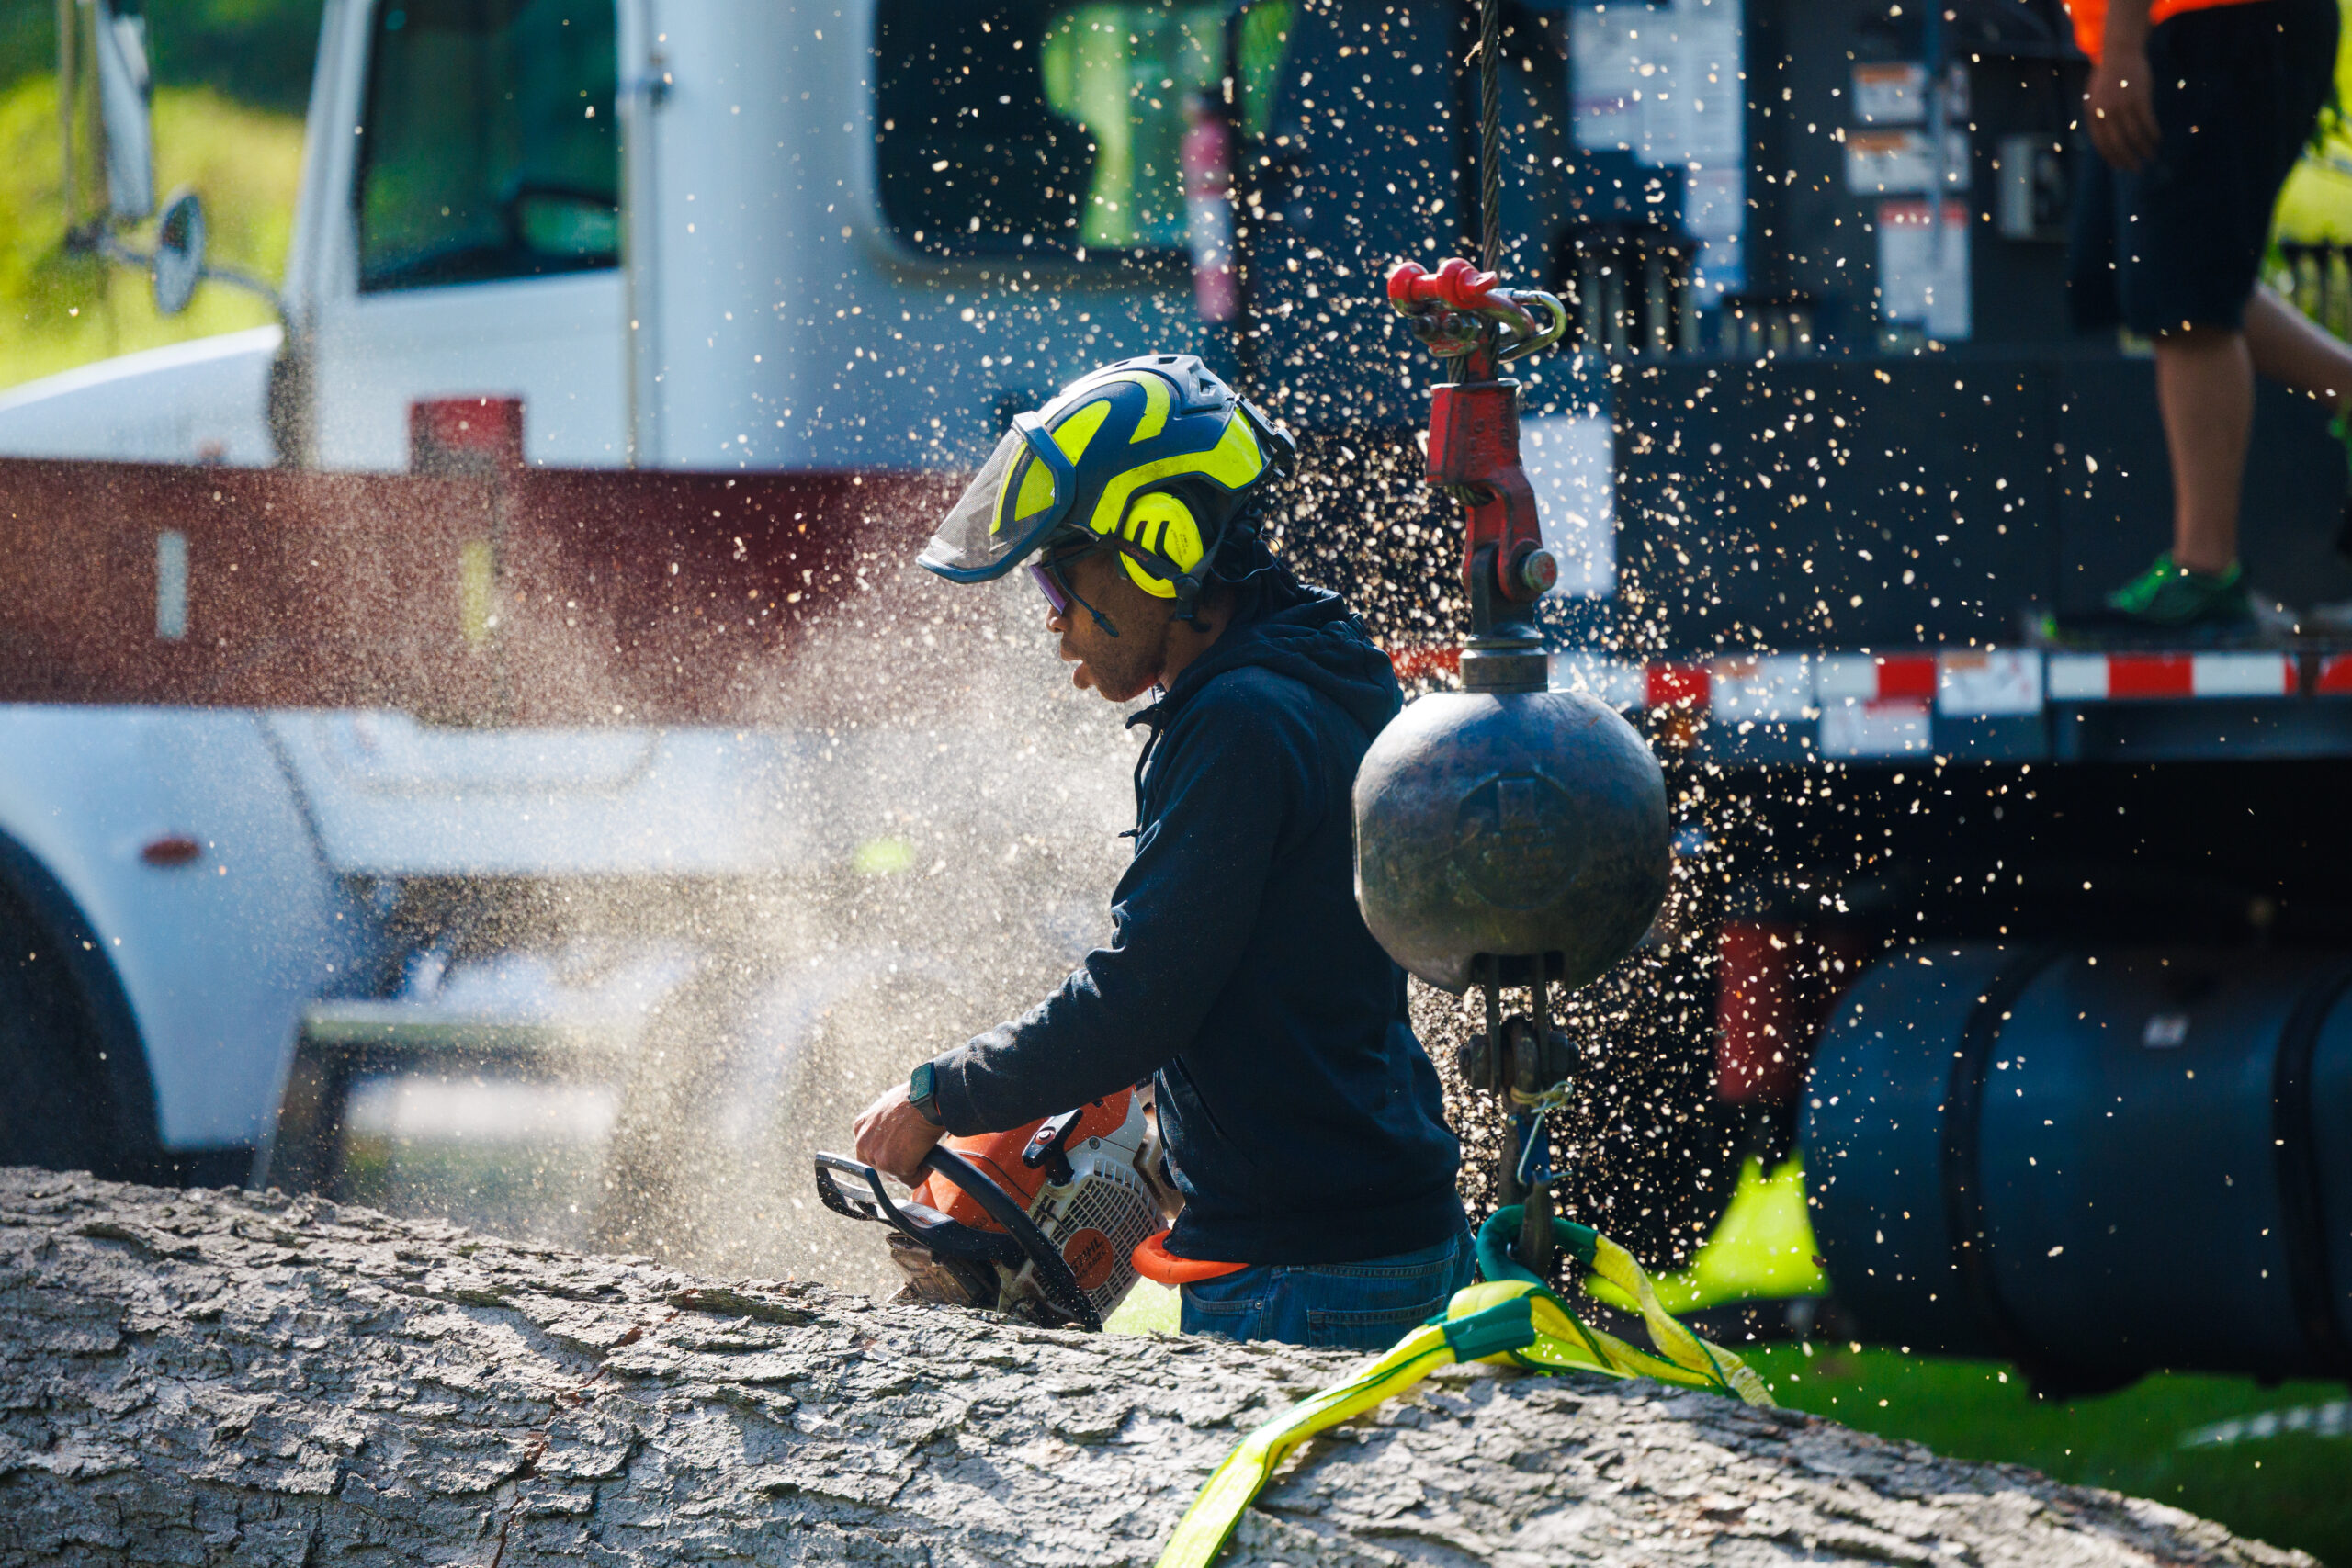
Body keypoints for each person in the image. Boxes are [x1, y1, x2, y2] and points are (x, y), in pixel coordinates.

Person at [848, 353, 1470, 1349]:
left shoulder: (1237, 723)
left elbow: (1144, 996)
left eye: (1059, 574)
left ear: (1158, 544)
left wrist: (940, 1094)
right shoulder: (1317, 670)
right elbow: (1260, 968)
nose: (1054, 625)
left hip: (1304, 1270)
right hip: (1376, 1224)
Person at [2064, 0, 2352, 632]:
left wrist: (2123, 51)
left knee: (2188, 301)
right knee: (2161, 270)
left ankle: (2206, 570)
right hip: (2182, 30)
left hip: (2213, 24)